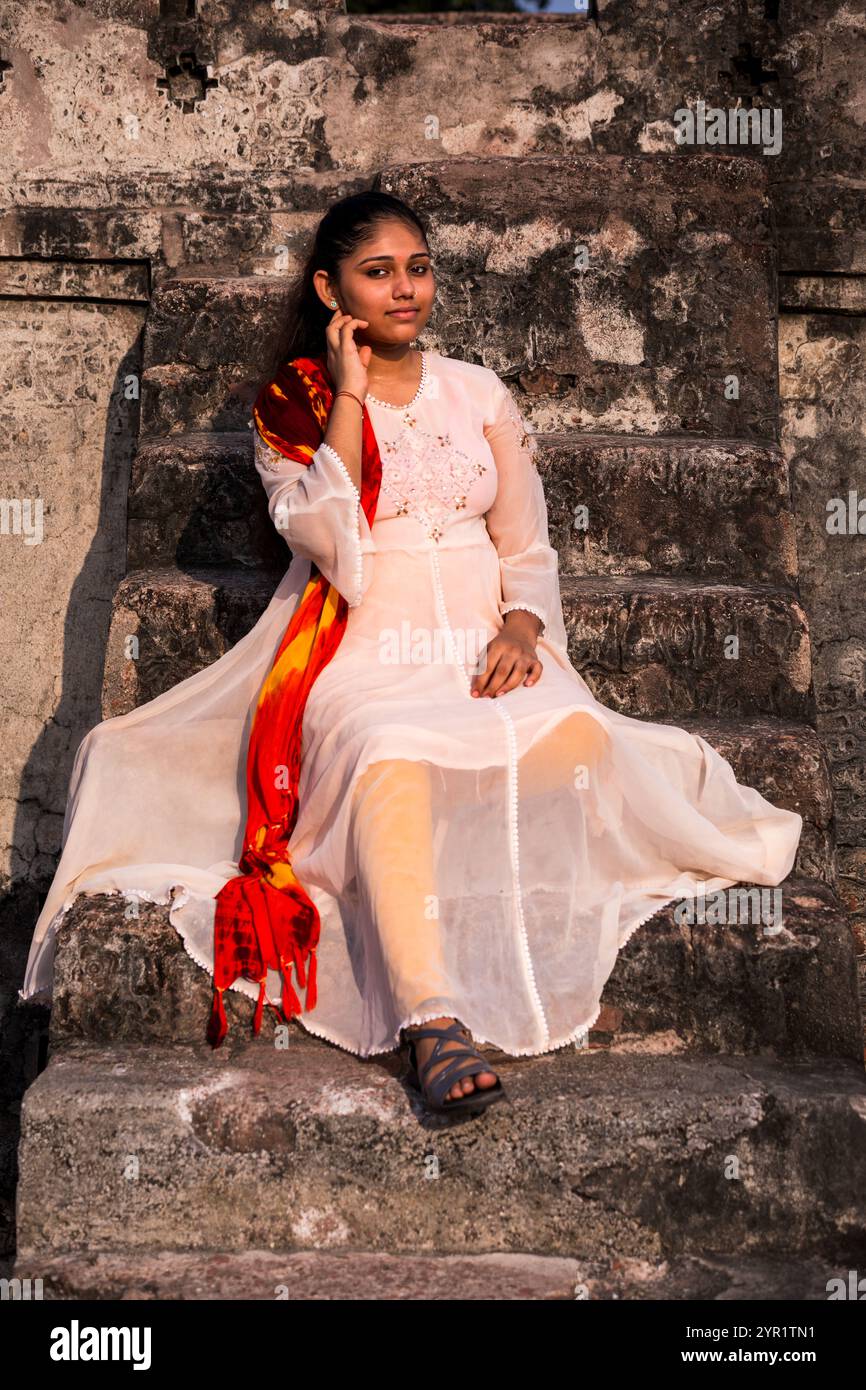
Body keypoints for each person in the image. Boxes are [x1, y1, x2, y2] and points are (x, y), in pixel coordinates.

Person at [20, 191, 803, 1117]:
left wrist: (523, 627)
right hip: (362, 645)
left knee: (582, 741)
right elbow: (326, 536)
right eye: (378, 271)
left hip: (482, 640)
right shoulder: (294, 405)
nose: (404, 289)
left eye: (418, 268)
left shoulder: (479, 392)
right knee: (389, 752)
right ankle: (430, 1020)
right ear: (330, 286)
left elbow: (527, 543)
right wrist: (349, 395)